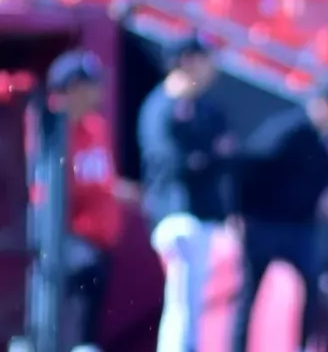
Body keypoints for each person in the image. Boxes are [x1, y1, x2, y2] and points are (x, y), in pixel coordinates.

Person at [227, 79, 328, 352]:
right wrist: (238, 212)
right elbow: (248, 167)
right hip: (266, 223)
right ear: (320, 105)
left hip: (300, 225)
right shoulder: (286, 132)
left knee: (311, 284)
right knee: (250, 294)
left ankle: (302, 346)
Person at [137, 33, 231, 352]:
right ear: (187, 61)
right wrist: (207, 155)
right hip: (172, 214)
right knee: (182, 299)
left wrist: (205, 157)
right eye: (204, 58)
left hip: (202, 215)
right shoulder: (159, 106)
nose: (210, 67)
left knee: (195, 301)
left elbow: (227, 154)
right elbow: (170, 162)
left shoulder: (207, 109)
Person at [38, 49, 124, 351]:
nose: (99, 91)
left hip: (97, 247)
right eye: (91, 84)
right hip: (62, 247)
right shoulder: (43, 127)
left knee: (87, 334)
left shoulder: (95, 126)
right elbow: (42, 196)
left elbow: (103, 180)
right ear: (73, 88)